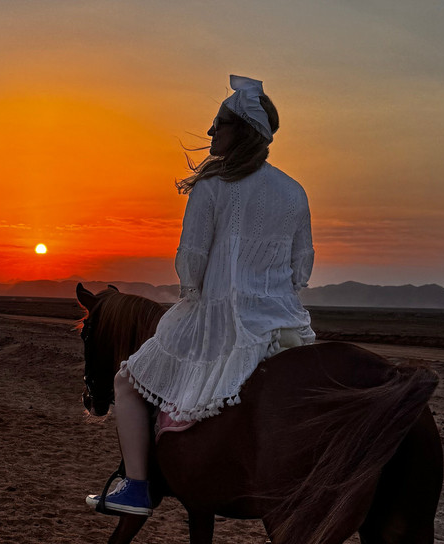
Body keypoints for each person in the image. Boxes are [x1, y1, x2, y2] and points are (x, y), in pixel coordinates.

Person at [89, 75, 316, 517]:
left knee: (126, 382)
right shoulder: (294, 191)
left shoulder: (212, 186)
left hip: (222, 318)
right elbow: (301, 267)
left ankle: (136, 487)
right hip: (284, 323)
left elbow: (191, 262)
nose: (210, 133)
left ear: (242, 132)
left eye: (218, 125)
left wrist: (193, 295)